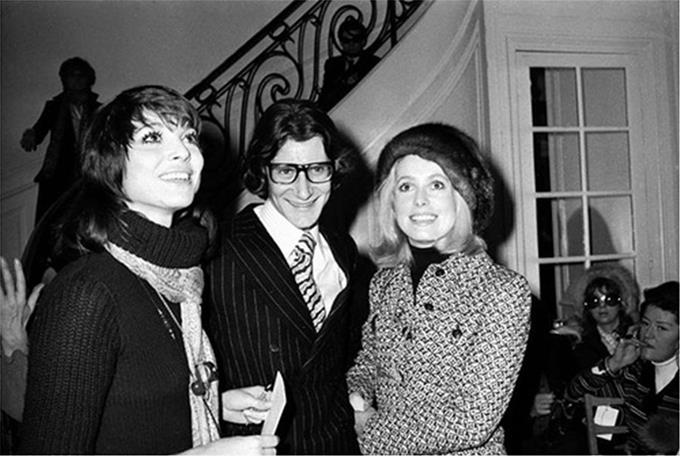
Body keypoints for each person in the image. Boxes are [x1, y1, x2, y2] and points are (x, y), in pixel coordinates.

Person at [17, 85, 278, 455]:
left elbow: (130, 410)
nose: (183, 151)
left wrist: (214, 402)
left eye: (189, 137)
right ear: (111, 164)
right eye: (152, 137)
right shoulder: (87, 293)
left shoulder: (182, 279)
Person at [346, 123, 532, 454]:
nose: (419, 200)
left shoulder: (502, 291)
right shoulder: (384, 284)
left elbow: (472, 421)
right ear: (392, 201)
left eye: (436, 185)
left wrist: (369, 431)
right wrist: (354, 397)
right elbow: (369, 364)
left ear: (464, 197)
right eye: (406, 186)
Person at [204, 99, 363, 454]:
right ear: (263, 171)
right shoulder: (218, 251)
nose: (304, 190)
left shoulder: (343, 249)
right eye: (286, 171)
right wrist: (216, 401)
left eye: (317, 169)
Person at [564, 280, 679, 455]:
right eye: (645, 323)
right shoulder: (635, 372)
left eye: (661, 328)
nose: (648, 335)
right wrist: (613, 364)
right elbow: (574, 393)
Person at [20, 57, 101, 225]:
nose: (77, 79)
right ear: (64, 79)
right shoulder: (54, 107)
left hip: (89, 173)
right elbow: (40, 129)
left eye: (81, 75)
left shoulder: (98, 109)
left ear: (89, 79)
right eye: (71, 75)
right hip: (58, 174)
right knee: (53, 222)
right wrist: (31, 134)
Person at [317, 17, 380, 111]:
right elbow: (325, 97)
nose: (351, 44)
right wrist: (343, 84)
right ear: (341, 42)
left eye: (356, 40)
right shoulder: (332, 64)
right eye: (346, 40)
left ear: (363, 41)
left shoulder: (373, 63)